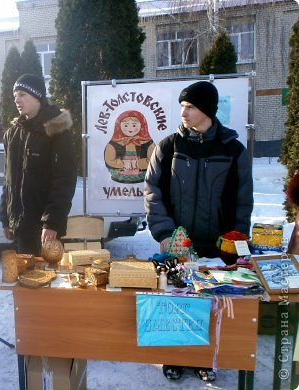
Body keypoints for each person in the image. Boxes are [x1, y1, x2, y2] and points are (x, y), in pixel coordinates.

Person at [144, 80, 254, 382]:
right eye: (182, 106)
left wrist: (237, 244)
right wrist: (165, 234)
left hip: (216, 247)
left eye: (190, 106)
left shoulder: (233, 149)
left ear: (206, 109)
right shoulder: (168, 146)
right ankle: (175, 356)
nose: (184, 112)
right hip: (178, 244)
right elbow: (153, 192)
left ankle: (205, 357)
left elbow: (243, 201)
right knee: (176, 300)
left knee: (209, 303)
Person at [0, 73, 77, 256]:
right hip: (20, 228)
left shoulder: (55, 129)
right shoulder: (12, 135)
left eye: (22, 94)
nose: (17, 100)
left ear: (37, 96)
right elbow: (8, 181)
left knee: (49, 281)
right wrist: (6, 219)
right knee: (26, 282)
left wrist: (52, 223)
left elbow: (65, 179)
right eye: (15, 95)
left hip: (46, 230)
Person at [104, 110, 154, 184]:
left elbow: (153, 160)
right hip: (118, 176)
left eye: (134, 125)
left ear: (142, 125)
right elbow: (109, 160)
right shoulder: (113, 144)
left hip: (142, 175)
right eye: (126, 125)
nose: (130, 129)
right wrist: (122, 163)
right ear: (119, 126)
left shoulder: (148, 143)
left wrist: (137, 163)